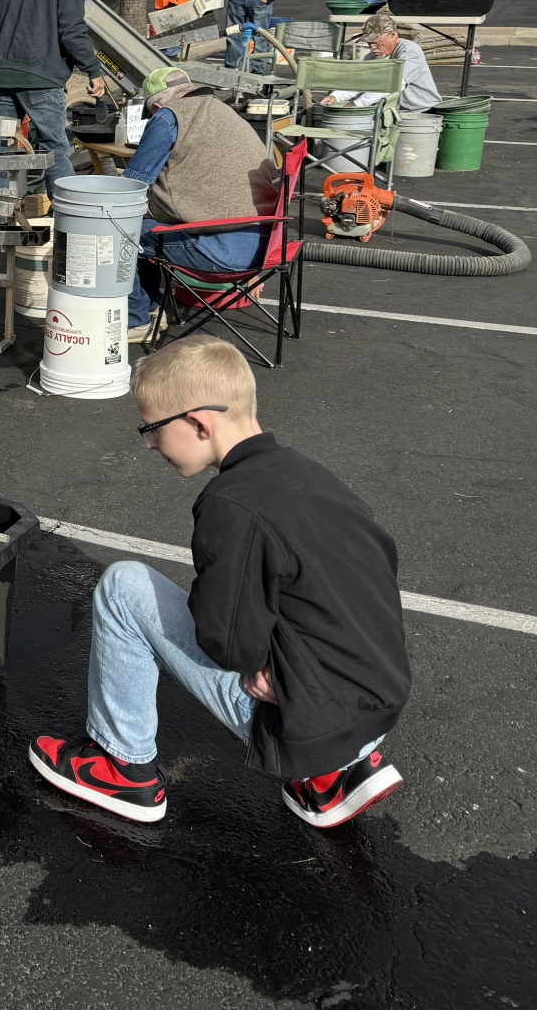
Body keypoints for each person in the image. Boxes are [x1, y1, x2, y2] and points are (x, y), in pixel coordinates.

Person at [28, 335, 412, 828]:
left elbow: (226, 643)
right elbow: (376, 577)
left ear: (197, 423)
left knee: (125, 587)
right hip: (373, 707)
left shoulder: (229, 505)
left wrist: (262, 664)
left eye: (151, 428)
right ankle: (331, 773)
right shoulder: (311, 477)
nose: (149, 443)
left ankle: (121, 766)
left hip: (300, 721)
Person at [121, 67, 277, 338]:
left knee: (120, 232)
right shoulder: (226, 112)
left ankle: (138, 321)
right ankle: (152, 308)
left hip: (218, 251)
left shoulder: (169, 115)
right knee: (146, 224)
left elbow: (132, 185)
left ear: (157, 105)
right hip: (265, 247)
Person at [0, 0, 106, 199]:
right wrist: (93, 70)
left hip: (3, 73)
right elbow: (72, 31)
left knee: (0, 148)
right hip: (41, 75)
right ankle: (70, 218)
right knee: (53, 148)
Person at [346, 10, 441, 114]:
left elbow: (395, 83)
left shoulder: (410, 52)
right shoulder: (372, 57)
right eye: (369, 43)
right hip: (393, 111)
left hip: (423, 112)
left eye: (377, 43)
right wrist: (336, 96)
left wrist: (357, 104)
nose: (372, 48)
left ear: (392, 35)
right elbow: (361, 83)